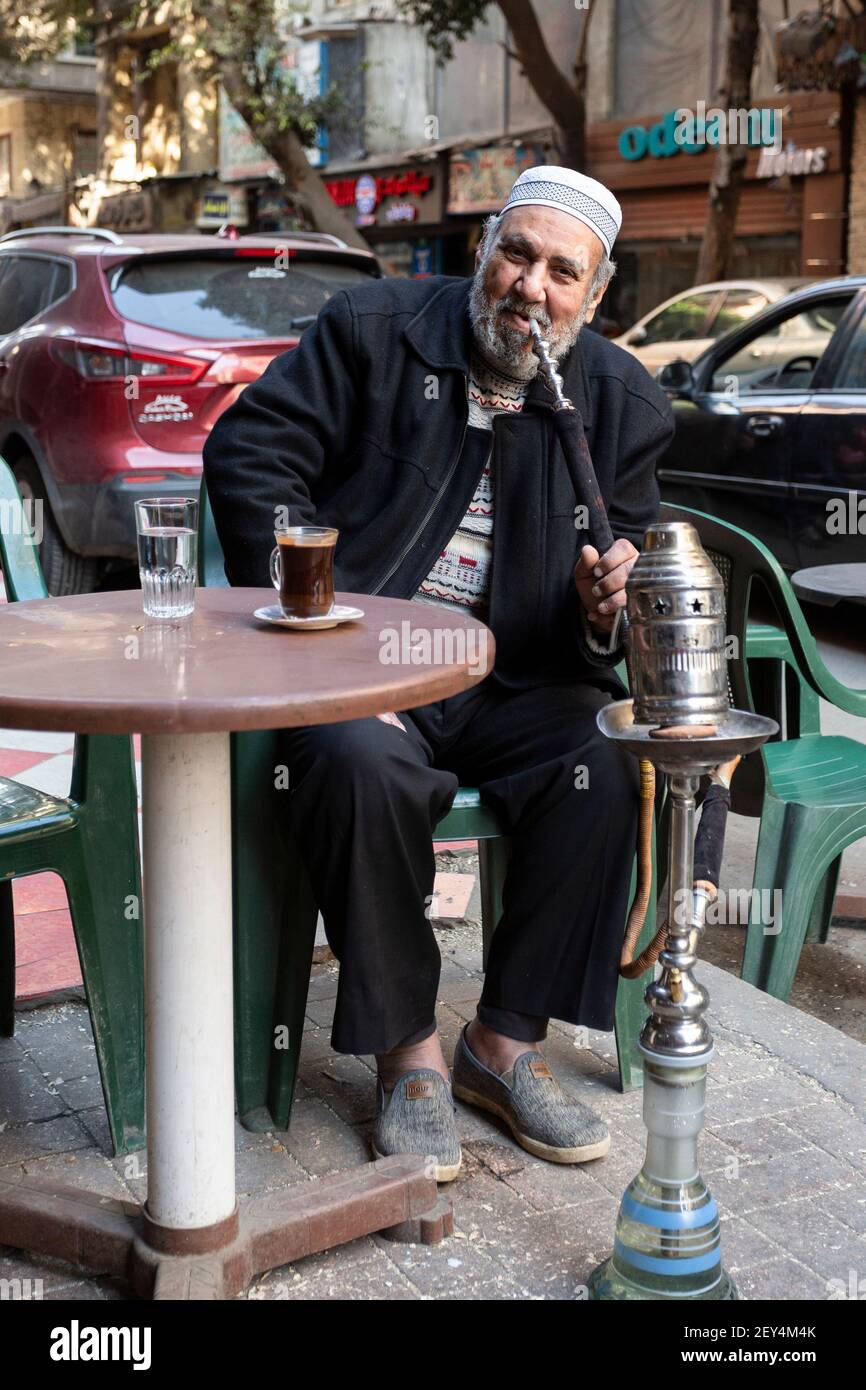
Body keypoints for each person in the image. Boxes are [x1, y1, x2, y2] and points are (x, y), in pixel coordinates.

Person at [203, 165, 675, 1182]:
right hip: (366, 666)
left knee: (603, 764)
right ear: (480, 252)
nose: (529, 287)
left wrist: (606, 611)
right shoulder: (372, 331)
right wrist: (312, 592)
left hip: (518, 674)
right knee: (352, 760)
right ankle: (408, 1051)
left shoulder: (621, 401)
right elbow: (250, 454)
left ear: (591, 299)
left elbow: (618, 573)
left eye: (562, 272)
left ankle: (502, 1041)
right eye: (515, 252)